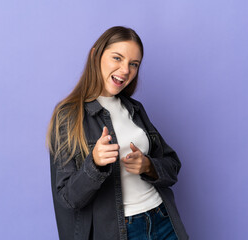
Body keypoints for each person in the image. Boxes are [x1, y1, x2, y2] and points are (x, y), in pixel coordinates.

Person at [47, 26, 189, 240]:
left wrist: (148, 166)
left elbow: (173, 165)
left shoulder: (135, 109)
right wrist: (93, 165)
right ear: (96, 55)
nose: (125, 70)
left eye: (134, 64)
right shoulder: (68, 117)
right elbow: (67, 199)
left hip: (163, 220)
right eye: (117, 58)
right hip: (122, 231)